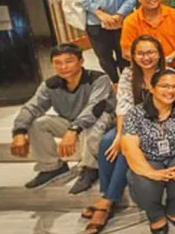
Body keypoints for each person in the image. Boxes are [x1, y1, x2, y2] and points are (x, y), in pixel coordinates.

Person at [82, 36, 163, 232]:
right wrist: (120, 133)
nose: (146, 57)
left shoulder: (167, 74)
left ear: (159, 54)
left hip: (158, 125)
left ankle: (108, 201)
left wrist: (126, 137)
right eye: (141, 53)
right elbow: (124, 106)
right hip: (131, 123)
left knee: (128, 146)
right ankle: (106, 193)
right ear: (133, 56)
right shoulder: (128, 75)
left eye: (150, 52)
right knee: (107, 141)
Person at [10, 44, 115, 192]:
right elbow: (31, 107)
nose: (63, 67)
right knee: (38, 122)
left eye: (69, 61)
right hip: (71, 124)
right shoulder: (50, 84)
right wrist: (19, 131)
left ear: (81, 61)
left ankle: (89, 168)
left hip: (100, 123)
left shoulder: (98, 79)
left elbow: (95, 108)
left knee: (96, 120)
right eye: (58, 63)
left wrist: (74, 129)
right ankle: (52, 167)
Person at [121, 69, 175, 233]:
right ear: (152, 88)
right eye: (165, 86)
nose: (170, 91)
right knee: (144, 182)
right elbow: (129, 147)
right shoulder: (135, 113)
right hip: (148, 157)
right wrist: (150, 172)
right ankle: (155, 214)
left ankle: (174, 209)